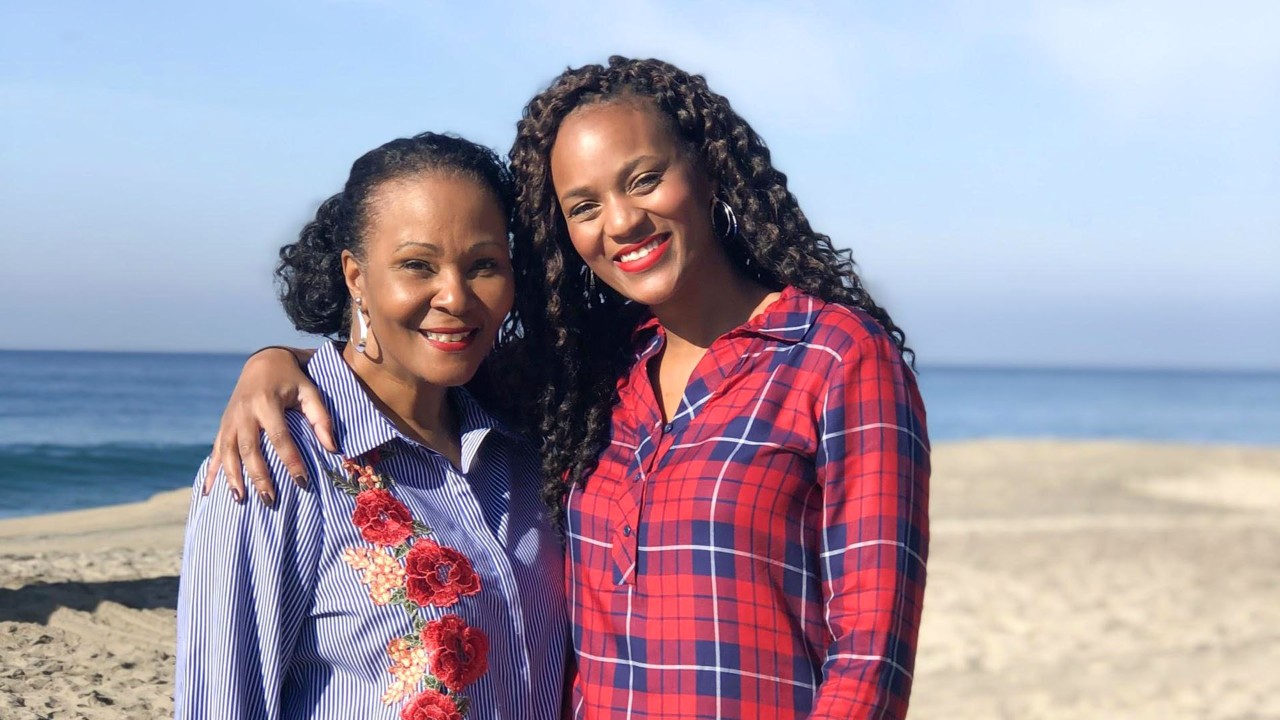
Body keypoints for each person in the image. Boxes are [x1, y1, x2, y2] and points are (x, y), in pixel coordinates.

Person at [209, 57, 929, 719]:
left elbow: (871, 654)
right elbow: (414, 359)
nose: (621, 221)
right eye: (583, 206)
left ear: (708, 173)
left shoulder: (833, 356)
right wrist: (282, 361)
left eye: (644, 179)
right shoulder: (587, 377)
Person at [174, 133, 566, 720]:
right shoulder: (275, 466)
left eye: (484, 265)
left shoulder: (527, 450)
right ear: (356, 278)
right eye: (417, 265)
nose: (456, 296)